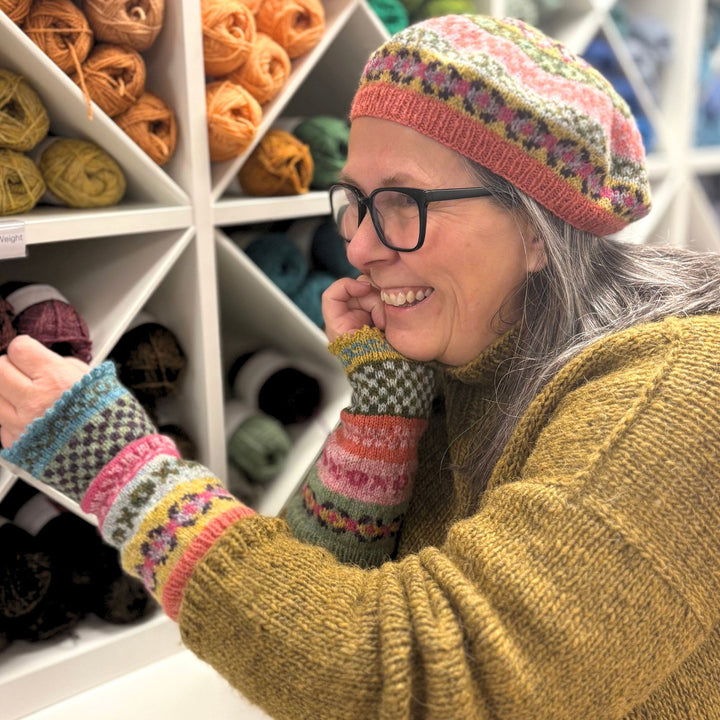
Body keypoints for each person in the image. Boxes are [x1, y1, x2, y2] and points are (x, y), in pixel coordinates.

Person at [1, 13, 719, 719]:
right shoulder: (462, 359)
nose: (360, 248)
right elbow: (315, 592)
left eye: (402, 203)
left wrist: (123, 473)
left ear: (536, 227)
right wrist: (384, 411)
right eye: (355, 202)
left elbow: (427, 682)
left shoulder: (674, 394)